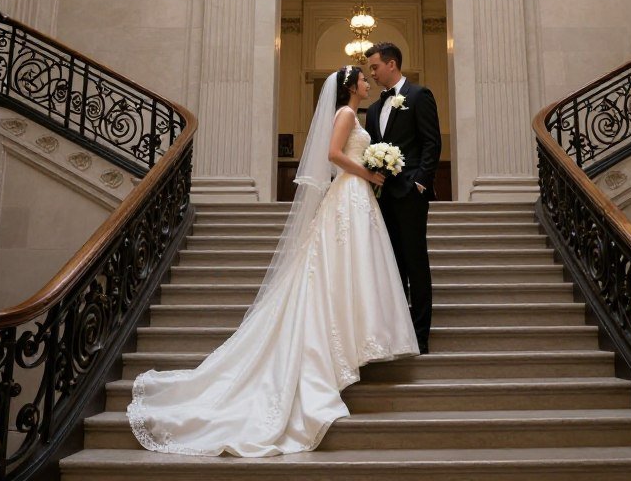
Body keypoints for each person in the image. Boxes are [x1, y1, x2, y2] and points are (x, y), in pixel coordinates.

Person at [128, 65, 419, 456]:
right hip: (350, 191)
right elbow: (333, 154)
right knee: (341, 267)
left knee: (354, 268)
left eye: (369, 78)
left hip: (354, 194)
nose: (368, 83)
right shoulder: (346, 114)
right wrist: (368, 171)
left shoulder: (353, 115)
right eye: (364, 79)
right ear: (352, 86)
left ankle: (355, 340)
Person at [365, 42, 442, 355]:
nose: (371, 74)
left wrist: (420, 183)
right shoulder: (372, 109)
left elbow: (431, 143)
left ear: (392, 64)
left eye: (375, 67)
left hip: (410, 194)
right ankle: (399, 331)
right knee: (392, 263)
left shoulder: (418, 95)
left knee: (415, 261)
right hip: (383, 197)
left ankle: (421, 334)